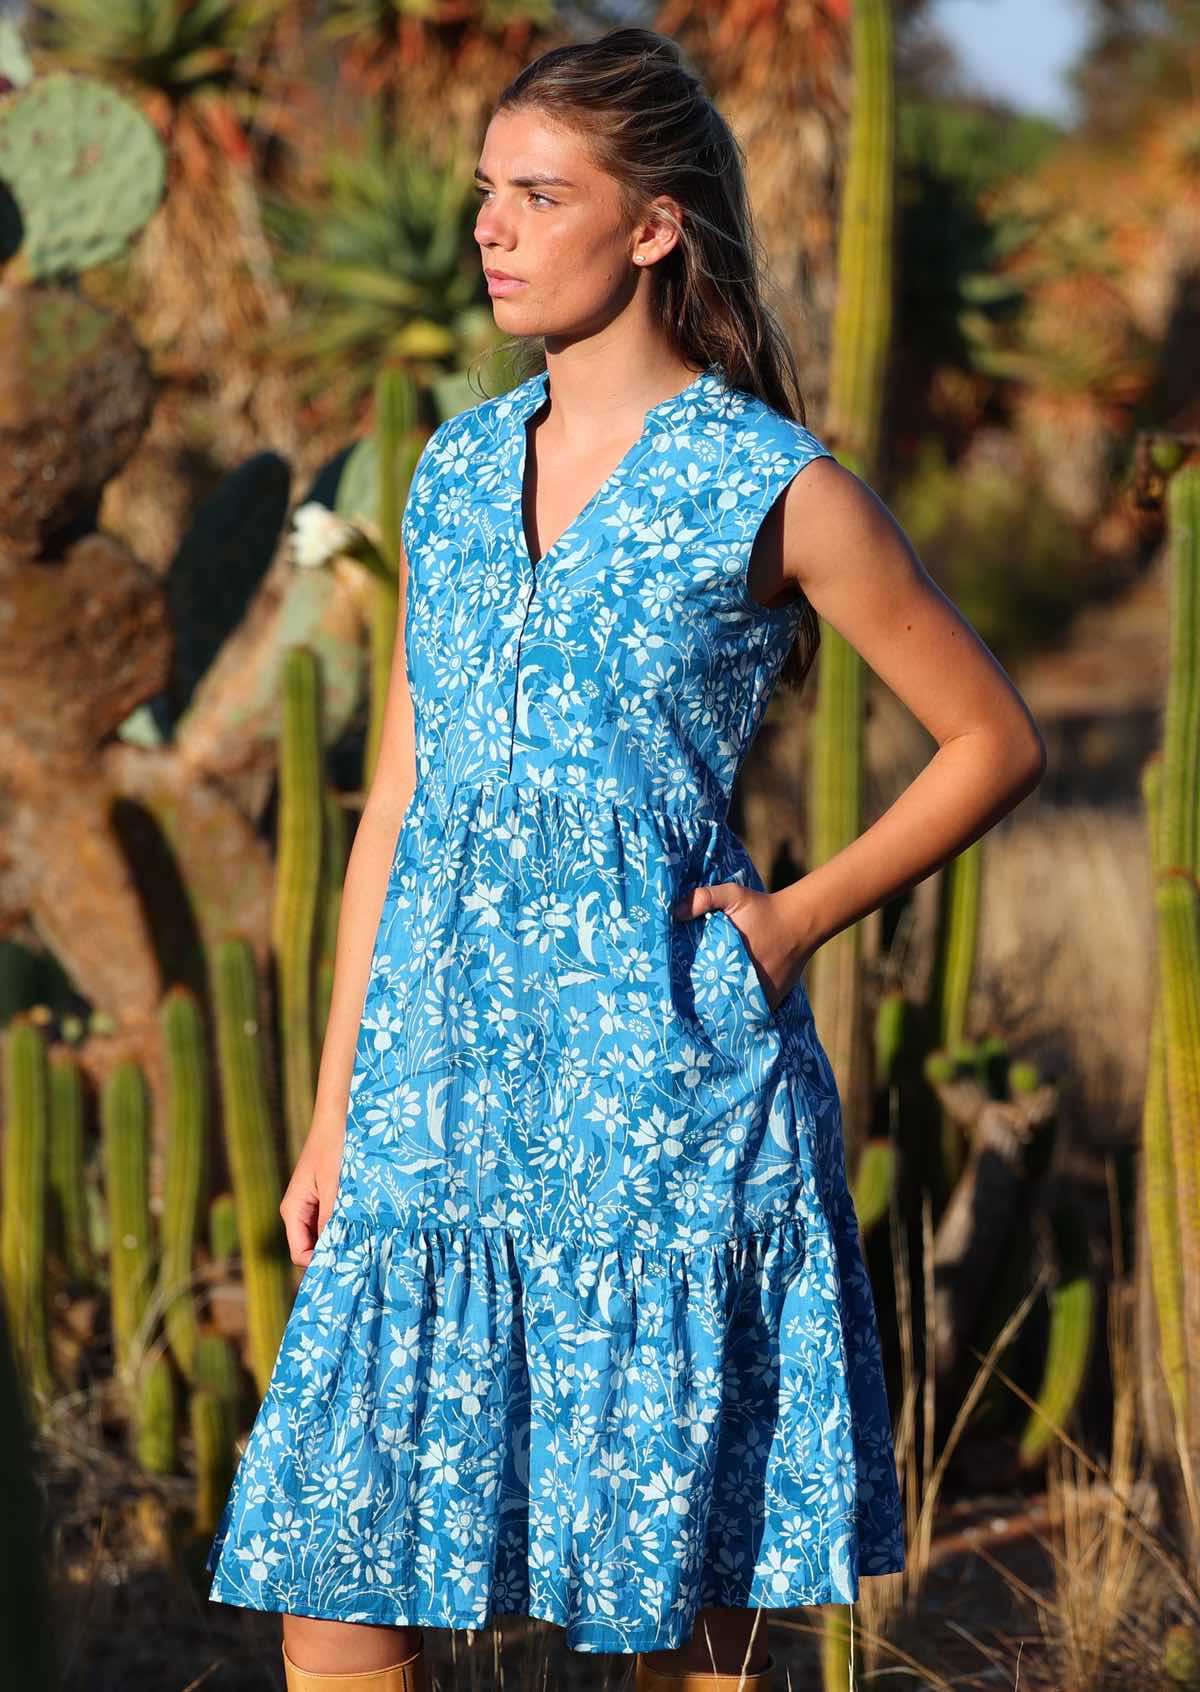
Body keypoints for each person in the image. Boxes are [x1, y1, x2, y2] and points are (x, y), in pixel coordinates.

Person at [204, 25, 1046, 1692]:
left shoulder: (768, 484)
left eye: (539, 195)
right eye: (484, 196)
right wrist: (332, 1116)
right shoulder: (447, 476)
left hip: (661, 1108)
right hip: (433, 1110)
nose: (492, 231)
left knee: (686, 1621)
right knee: (339, 1604)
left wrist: (797, 917)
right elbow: (394, 811)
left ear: (654, 226)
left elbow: (995, 740)